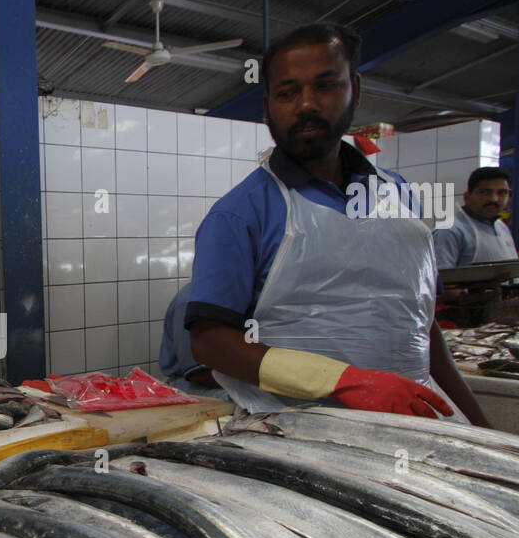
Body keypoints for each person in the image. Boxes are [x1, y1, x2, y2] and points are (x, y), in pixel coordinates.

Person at [185, 22, 490, 425]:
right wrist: (344, 381)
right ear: (267, 108)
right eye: (288, 92)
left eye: (325, 86)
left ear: (355, 90)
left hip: (419, 420)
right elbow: (209, 342)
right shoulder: (242, 213)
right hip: (297, 432)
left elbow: (423, 322)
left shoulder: (399, 195)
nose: (306, 104)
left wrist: (483, 430)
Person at [433, 167, 517, 268]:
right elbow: (440, 279)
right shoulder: (449, 231)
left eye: (501, 193)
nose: (494, 199)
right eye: (485, 192)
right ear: (467, 197)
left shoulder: (502, 227)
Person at [158, 283, 227, 400]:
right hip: (191, 385)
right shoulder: (190, 301)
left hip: (226, 380)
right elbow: (198, 375)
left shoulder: (233, 296)